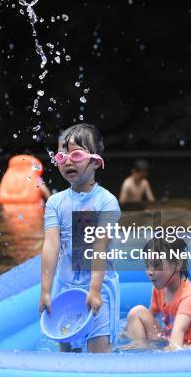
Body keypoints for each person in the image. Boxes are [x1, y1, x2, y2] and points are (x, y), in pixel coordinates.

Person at [39, 123, 121, 353]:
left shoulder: (106, 202)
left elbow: (100, 247)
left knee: (99, 355)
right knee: (67, 355)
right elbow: (51, 245)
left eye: (76, 154)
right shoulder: (56, 202)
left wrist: (94, 289)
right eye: (62, 155)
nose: (67, 161)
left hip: (99, 287)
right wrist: (45, 291)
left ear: (95, 161)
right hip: (64, 287)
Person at [124, 237, 191, 350]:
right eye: (147, 265)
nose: (149, 272)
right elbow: (148, 316)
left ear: (178, 264)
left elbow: (178, 334)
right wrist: (127, 331)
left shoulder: (188, 297)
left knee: (173, 348)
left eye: (156, 265)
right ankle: (140, 348)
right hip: (171, 338)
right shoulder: (159, 289)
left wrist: (170, 350)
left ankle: (143, 353)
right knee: (137, 312)